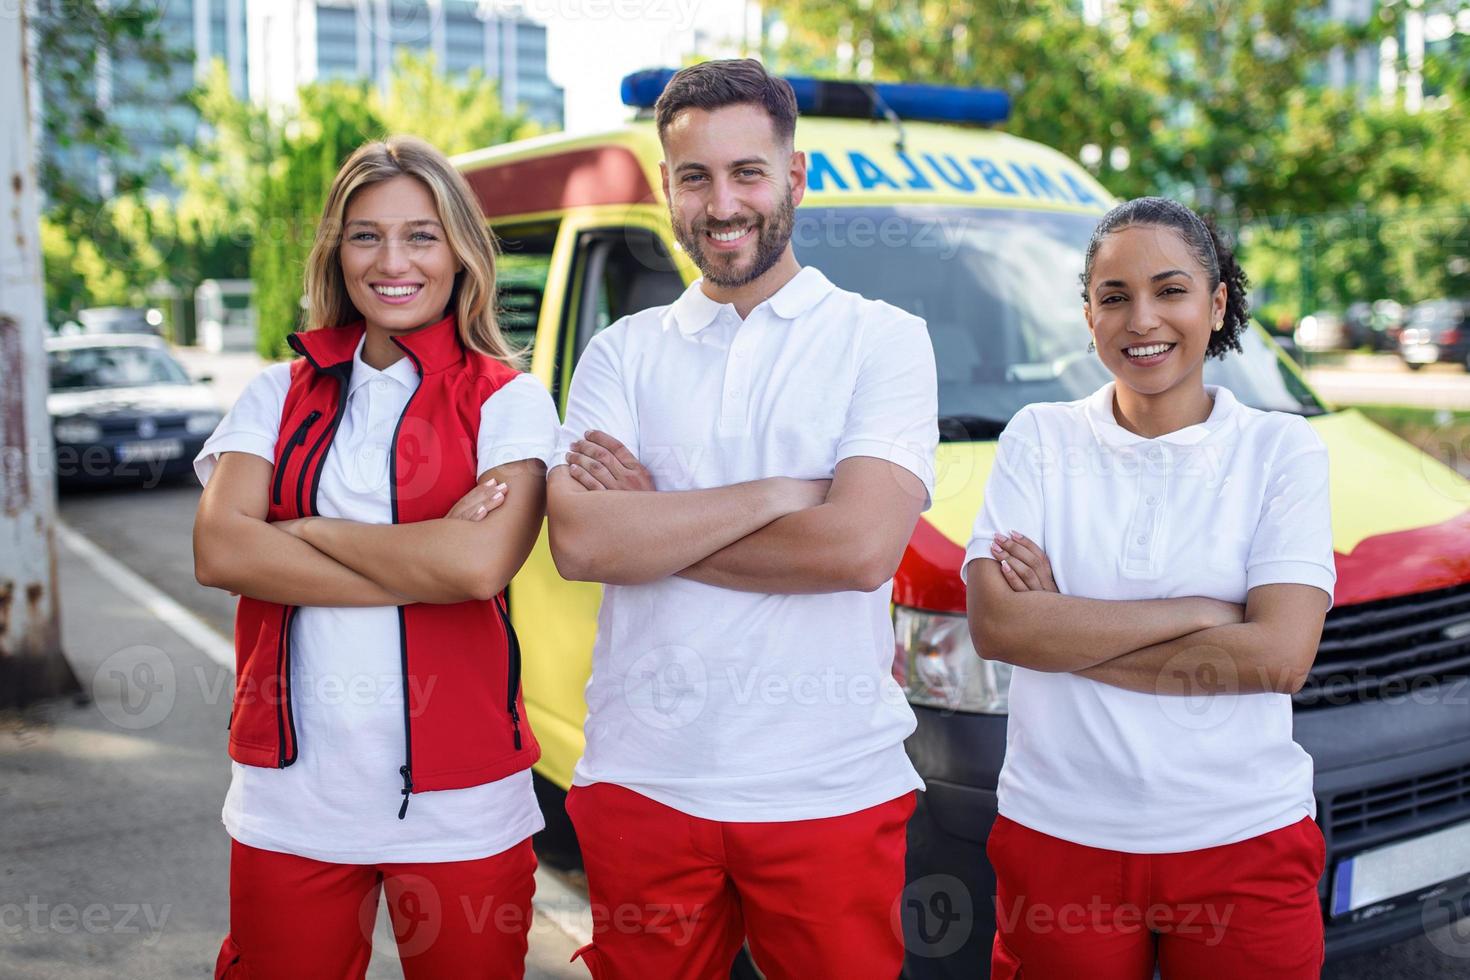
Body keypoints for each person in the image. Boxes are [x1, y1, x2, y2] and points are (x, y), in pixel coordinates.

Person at [544, 59, 939, 978]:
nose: (723, 204)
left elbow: (855, 548)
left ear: (794, 179)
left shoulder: (881, 339)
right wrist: (779, 493)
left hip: (829, 787)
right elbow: (582, 541)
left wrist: (657, 525)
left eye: (747, 173)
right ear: (669, 190)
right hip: (644, 782)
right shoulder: (621, 353)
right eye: (695, 177)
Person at [192, 135, 558, 980]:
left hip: (462, 805)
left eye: (422, 235)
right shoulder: (275, 392)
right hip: (292, 801)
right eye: (367, 234)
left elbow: (476, 569)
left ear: (460, 251)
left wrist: (300, 530)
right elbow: (219, 548)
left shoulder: (510, 400)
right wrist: (417, 562)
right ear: (337, 251)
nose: (393, 260)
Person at [964, 196, 1335, 979]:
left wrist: (1063, 632)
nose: (1143, 320)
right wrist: (1202, 615)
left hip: (1243, 841)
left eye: (1170, 290)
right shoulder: (1038, 437)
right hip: (1061, 837)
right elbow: (999, 629)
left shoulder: (1280, 450)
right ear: (1088, 312)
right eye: (1115, 296)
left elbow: (1276, 658)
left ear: (1218, 302)